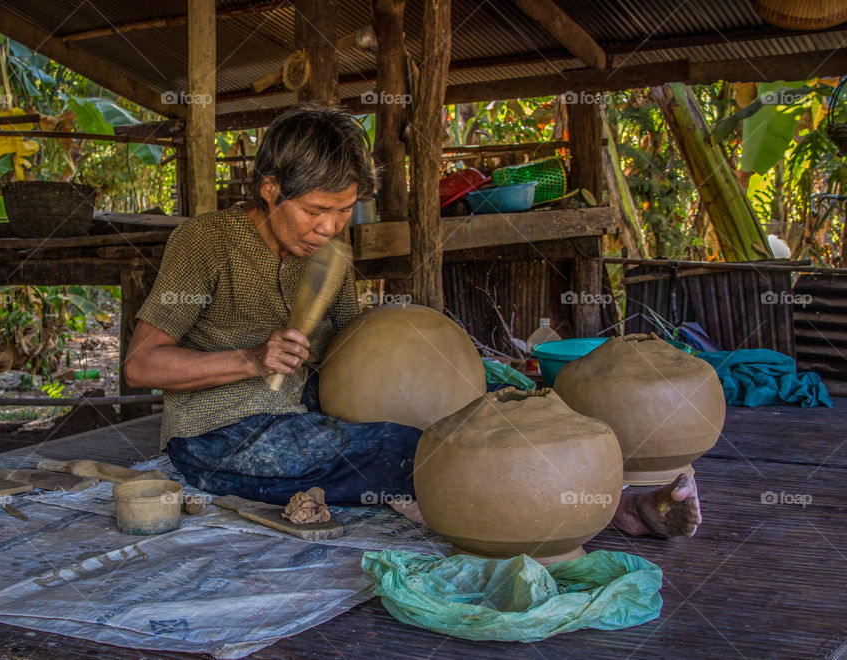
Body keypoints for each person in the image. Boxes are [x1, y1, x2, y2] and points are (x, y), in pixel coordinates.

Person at [123, 104, 700, 539]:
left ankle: (611, 485)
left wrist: (438, 364)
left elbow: (356, 349)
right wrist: (249, 360)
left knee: (500, 402)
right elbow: (141, 363)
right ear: (270, 189)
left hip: (308, 407)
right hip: (221, 437)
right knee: (406, 449)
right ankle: (615, 508)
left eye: (343, 212)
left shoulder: (328, 258)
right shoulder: (207, 242)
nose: (329, 227)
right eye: (316, 211)